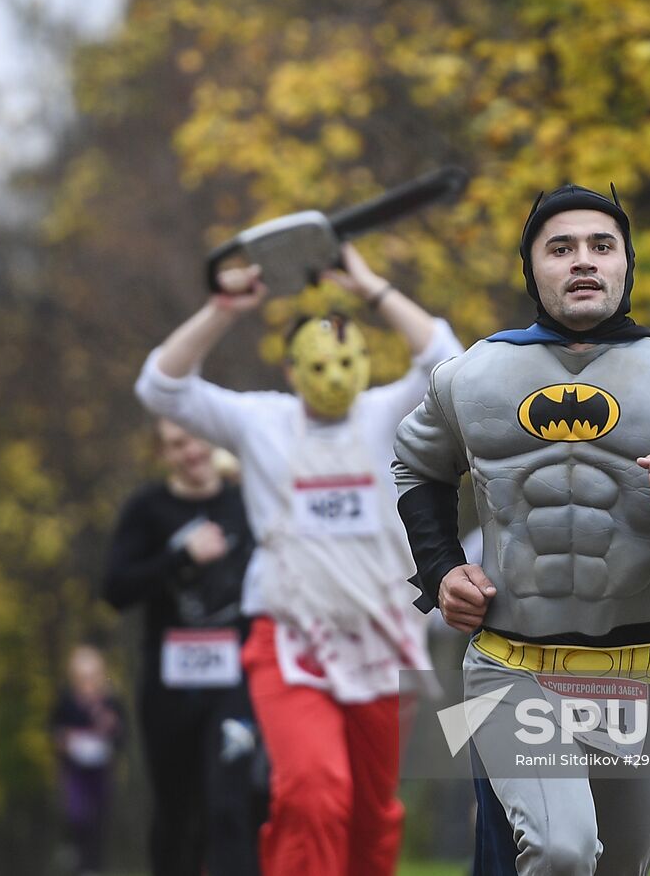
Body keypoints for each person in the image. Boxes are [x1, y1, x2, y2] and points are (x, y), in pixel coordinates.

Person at [392, 184, 650, 875]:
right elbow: (417, 466)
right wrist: (441, 570)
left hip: (643, 679)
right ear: (532, 270)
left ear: (625, 265)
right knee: (562, 850)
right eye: (561, 248)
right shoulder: (468, 376)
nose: (583, 259)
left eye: (601, 246)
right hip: (510, 669)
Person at [134, 243, 463, 876]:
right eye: (317, 364)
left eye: (346, 360)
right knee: (314, 793)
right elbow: (160, 387)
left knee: (371, 813)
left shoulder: (389, 415)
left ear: (364, 360)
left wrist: (373, 289)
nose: (334, 376)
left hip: (384, 644)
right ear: (290, 369)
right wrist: (223, 308)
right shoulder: (260, 423)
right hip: (289, 641)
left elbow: (449, 363)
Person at [102, 418, 262, 876]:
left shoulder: (247, 502)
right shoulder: (147, 509)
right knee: (176, 811)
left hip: (237, 683)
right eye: (176, 445)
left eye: (195, 440)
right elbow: (115, 590)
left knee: (230, 803)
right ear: (162, 454)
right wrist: (180, 557)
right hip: (169, 686)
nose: (190, 452)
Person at [50, 645, 126, 876]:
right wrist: (65, 739)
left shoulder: (110, 702)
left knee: (99, 818)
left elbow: (122, 735)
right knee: (78, 815)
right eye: (83, 677)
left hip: (101, 769)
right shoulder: (66, 701)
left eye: (92, 677)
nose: (88, 683)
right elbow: (54, 731)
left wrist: (110, 725)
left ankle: (93, 867)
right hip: (75, 769)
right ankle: (79, 862)